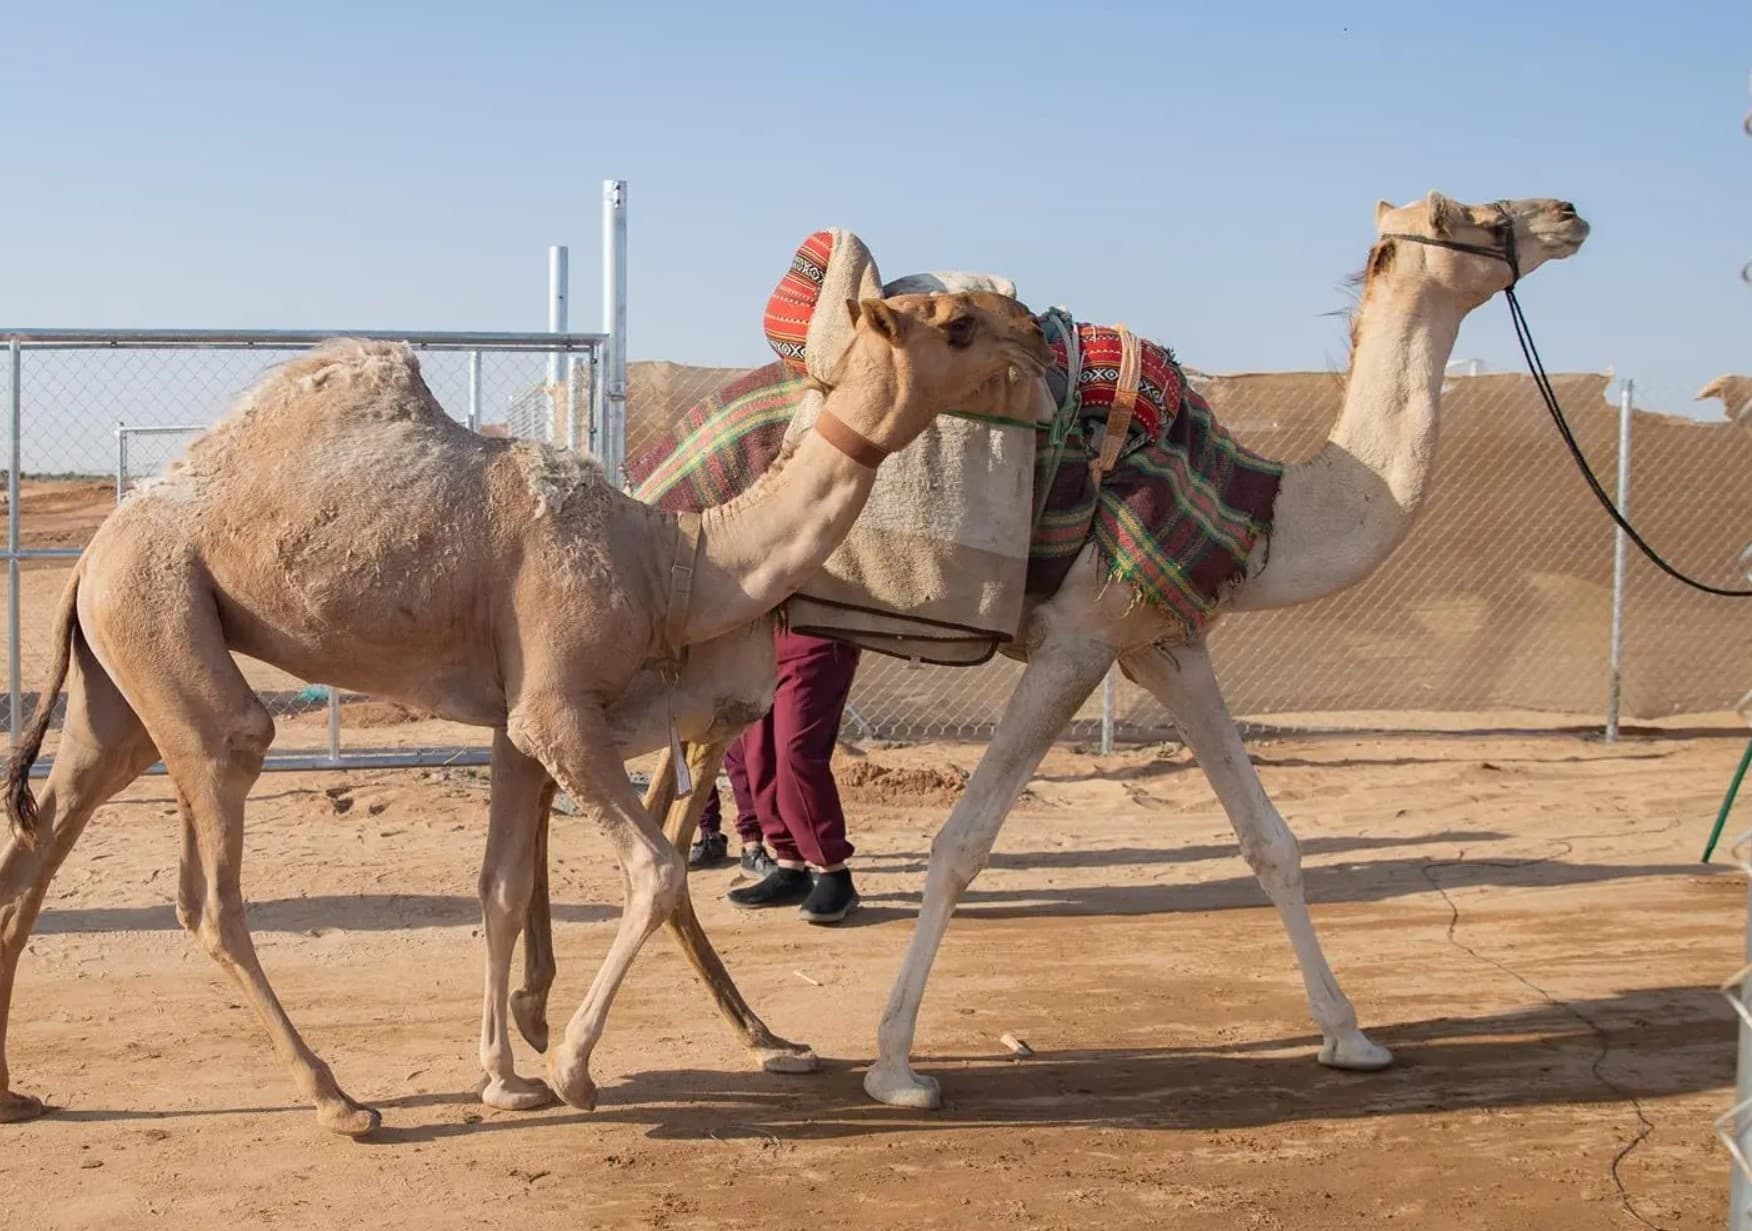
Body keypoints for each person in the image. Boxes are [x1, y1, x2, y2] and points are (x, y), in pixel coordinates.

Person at [689, 625, 862, 924]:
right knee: (759, 755)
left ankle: (834, 870)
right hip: (760, 637)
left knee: (797, 751)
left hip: (815, 629)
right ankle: (790, 865)